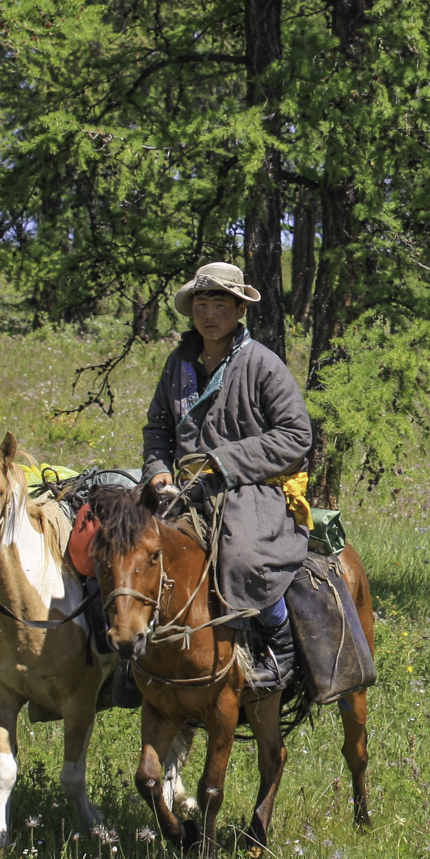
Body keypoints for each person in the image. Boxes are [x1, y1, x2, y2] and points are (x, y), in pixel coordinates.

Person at [142, 262, 313, 690]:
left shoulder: (263, 364)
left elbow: (296, 436)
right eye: (202, 303)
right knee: (122, 540)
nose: (209, 314)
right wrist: (158, 471)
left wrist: (224, 461)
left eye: (220, 304)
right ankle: (132, 655)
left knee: (244, 555)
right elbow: (158, 427)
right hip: (182, 488)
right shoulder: (178, 362)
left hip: (251, 486)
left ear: (239, 311)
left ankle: (279, 641)